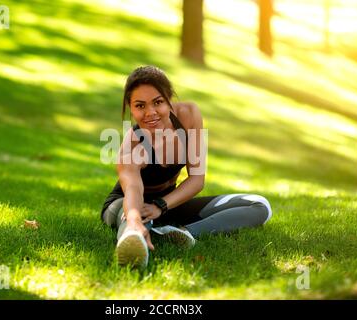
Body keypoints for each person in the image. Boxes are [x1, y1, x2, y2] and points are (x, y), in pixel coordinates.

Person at [101, 66, 272, 268]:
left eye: (158, 102)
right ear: (131, 108)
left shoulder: (188, 116)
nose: (150, 113)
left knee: (259, 205)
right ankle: (132, 239)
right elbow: (133, 189)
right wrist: (134, 219)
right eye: (140, 106)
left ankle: (181, 233)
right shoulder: (132, 147)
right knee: (134, 218)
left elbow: (197, 180)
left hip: (168, 204)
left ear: (169, 98)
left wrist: (160, 206)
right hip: (125, 204)